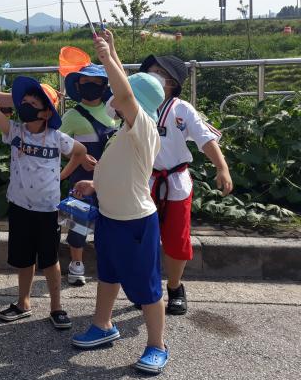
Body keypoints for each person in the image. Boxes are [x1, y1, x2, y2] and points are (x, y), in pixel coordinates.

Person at [71, 30, 170, 375]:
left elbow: (126, 94)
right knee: (109, 275)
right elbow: (118, 170)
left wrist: (108, 57)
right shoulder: (122, 131)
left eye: (117, 93)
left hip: (135, 223)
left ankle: (157, 345)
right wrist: (93, 183)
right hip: (111, 218)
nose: (111, 96)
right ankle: (103, 324)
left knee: (146, 287)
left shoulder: (142, 127)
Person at [0, 72, 85, 329]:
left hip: (48, 209)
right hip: (20, 208)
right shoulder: (15, 132)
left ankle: (56, 307)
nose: (24, 107)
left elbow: (80, 152)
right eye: (23, 103)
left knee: (50, 261)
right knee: (24, 259)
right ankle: (23, 302)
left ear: (47, 113)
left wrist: (60, 176)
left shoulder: (57, 138)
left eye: (32, 104)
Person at [140, 54, 232, 315]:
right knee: (143, 240)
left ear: (172, 82)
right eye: (151, 70)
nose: (154, 75)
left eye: (160, 72)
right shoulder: (136, 105)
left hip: (175, 184)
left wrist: (222, 168)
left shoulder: (182, 109)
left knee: (176, 240)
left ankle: (175, 287)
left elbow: (205, 139)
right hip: (142, 182)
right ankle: (147, 287)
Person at [60, 64, 117, 286]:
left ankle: (110, 263)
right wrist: (79, 157)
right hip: (80, 177)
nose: (90, 86)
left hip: (110, 176)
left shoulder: (113, 111)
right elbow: (60, 146)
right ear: (77, 85)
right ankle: (76, 264)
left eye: (96, 83)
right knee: (77, 222)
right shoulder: (72, 115)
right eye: (85, 82)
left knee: (111, 220)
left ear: (104, 87)